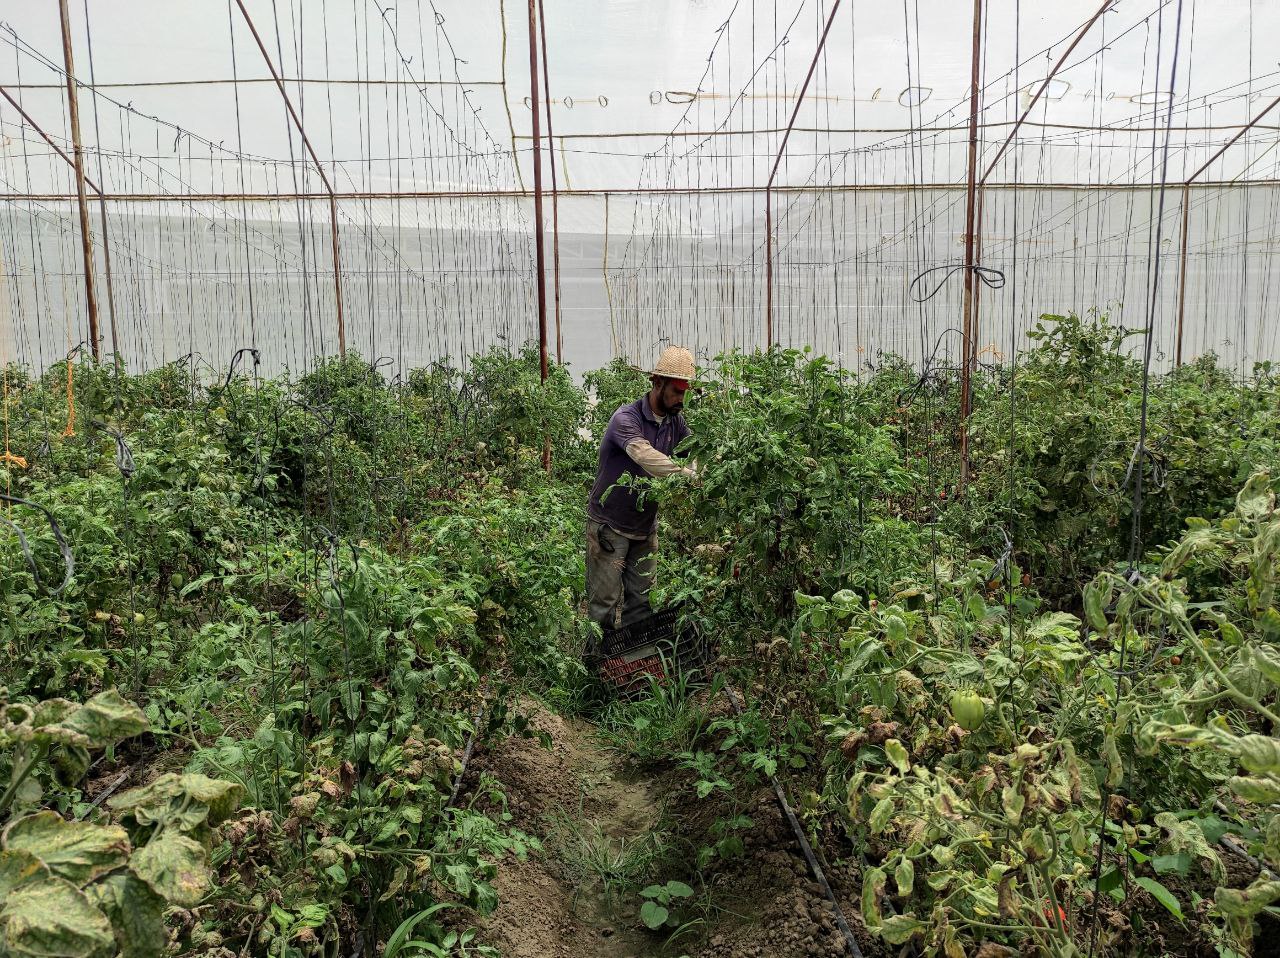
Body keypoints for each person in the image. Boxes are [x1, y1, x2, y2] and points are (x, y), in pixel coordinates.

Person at [586, 346, 697, 631]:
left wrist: (706, 468)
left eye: (684, 393)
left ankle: (633, 664)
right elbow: (645, 456)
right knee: (605, 604)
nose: (680, 399)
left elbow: (695, 450)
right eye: (676, 391)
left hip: (645, 528)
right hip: (610, 527)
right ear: (657, 383)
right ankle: (596, 668)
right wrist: (687, 475)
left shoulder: (676, 421)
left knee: (642, 603)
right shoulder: (626, 418)